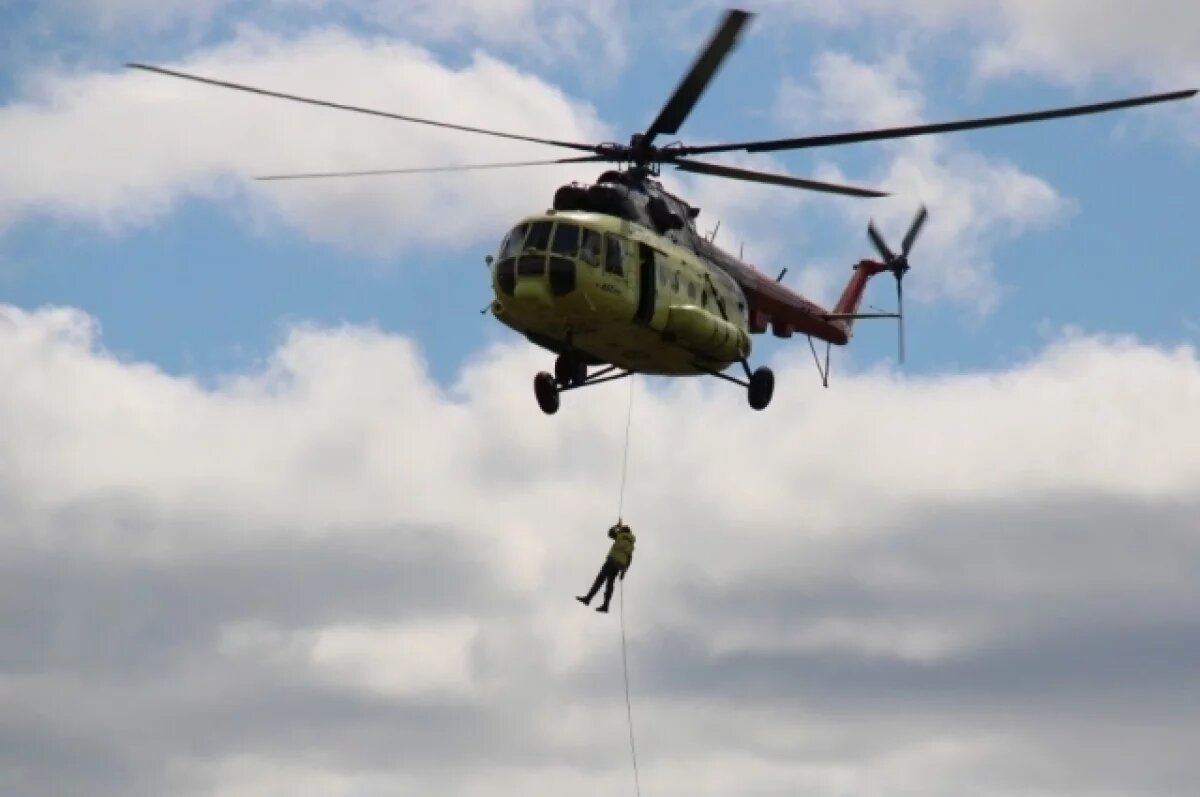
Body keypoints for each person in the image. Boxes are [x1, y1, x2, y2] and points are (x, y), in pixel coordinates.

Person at [576, 521, 635, 613]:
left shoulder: (620, 536)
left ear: (623, 531)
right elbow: (629, 558)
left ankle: (588, 598)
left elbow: (610, 533)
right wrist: (624, 571)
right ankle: (606, 605)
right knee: (610, 584)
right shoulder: (631, 544)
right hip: (619, 565)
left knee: (600, 580)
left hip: (611, 561)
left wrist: (617, 526)